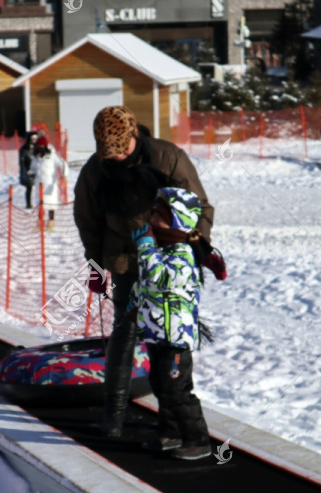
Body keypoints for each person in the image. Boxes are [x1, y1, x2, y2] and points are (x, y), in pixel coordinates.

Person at [73, 105, 219, 438]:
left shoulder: (167, 158)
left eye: (122, 150)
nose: (118, 158)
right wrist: (95, 266)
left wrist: (194, 246)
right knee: (124, 333)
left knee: (167, 339)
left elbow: (199, 206)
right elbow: (88, 222)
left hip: (168, 261)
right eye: (110, 154)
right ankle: (114, 416)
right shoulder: (96, 171)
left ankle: (173, 424)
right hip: (126, 259)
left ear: (134, 135)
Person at [130, 188, 211, 460]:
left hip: (176, 338)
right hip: (157, 334)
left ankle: (198, 439)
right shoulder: (162, 248)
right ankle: (170, 433)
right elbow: (145, 286)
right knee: (161, 385)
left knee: (178, 389)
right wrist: (133, 308)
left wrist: (145, 246)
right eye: (153, 214)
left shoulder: (183, 254)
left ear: (177, 222)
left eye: (160, 217)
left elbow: (159, 279)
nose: (152, 220)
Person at [28, 136, 69, 231]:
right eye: (39, 146)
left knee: (50, 204)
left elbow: (62, 164)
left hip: (50, 184)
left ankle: (51, 224)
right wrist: (30, 174)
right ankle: (40, 224)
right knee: (40, 204)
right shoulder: (36, 157)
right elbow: (33, 168)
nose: (40, 147)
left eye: (42, 146)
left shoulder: (52, 156)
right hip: (39, 185)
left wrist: (64, 176)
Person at [18, 131, 38, 209]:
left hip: (36, 170)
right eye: (33, 139)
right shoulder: (24, 149)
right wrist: (25, 171)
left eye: (36, 138)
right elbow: (21, 162)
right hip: (28, 172)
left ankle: (40, 202)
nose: (34, 140)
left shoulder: (36, 148)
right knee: (29, 187)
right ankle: (29, 203)